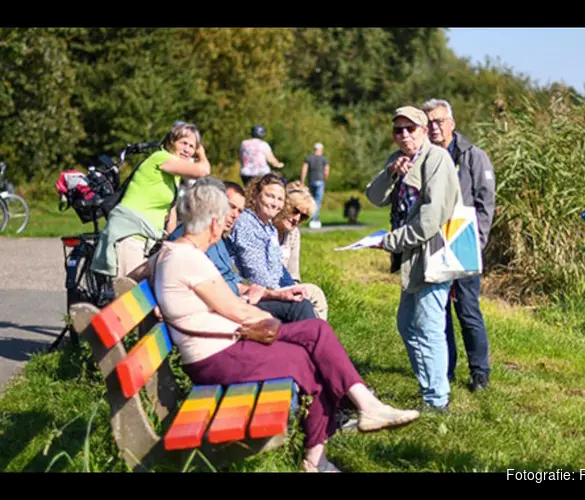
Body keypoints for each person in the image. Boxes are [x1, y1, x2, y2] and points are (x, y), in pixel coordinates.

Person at [140, 179, 420, 472]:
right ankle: (321, 453)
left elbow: (150, 274)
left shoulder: (174, 252)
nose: (225, 227)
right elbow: (237, 311)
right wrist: (274, 325)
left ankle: (361, 410)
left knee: (316, 335)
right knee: (312, 353)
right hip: (217, 357)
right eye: (224, 219)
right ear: (212, 222)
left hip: (224, 347)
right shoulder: (187, 258)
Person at [365, 106, 461, 412]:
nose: (404, 135)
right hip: (413, 257)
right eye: (398, 130)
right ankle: (430, 389)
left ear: (424, 130)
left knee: (428, 326)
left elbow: (431, 219)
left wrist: (391, 242)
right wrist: (392, 171)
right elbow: (374, 196)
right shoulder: (401, 161)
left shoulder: (437, 159)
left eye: (411, 128)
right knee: (408, 324)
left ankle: (437, 400)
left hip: (434, 254)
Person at [158, 179, 318, 324]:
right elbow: (216, 287)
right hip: (227, 309)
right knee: (299, 307)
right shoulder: (190, 239)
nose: (235, 216)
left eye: (239, 210)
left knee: (303, 302)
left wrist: (273, 294)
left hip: (241, 298)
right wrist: (252, 298)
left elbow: (233, 280)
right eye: (231, 207)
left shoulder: (217, 238)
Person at [422, 98, 496, 392]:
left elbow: (485, 201)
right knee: (438, 312)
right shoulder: (424, 156)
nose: (435, 127)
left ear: (452, 123)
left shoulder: (472, 156)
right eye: (429, 123)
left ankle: (480, 372)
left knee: (467, 309)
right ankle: (446, 370)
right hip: (433, 243)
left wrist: (478, 242)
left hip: (464, 241)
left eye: (439, 121)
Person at [92, 121, 211, 278]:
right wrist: (201, 152)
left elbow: (171, 211)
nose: (187, 150)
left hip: (148, 236)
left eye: (191, 146)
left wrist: (170, 241)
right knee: (130, 290)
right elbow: (203, 170)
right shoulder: (161, 158)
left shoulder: (173, 175)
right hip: (130, 231)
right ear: (171, 142)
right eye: (183, 143)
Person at [272, 180, 329, 320]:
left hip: (285, 284)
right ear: (285, 205)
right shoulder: (266, 228)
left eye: (303, 216)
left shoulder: (293, 233)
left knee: (313, 294)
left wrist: (295, 291)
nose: (296, 218)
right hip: (266, 285)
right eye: (295, 211)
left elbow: (293, 273)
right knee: (314, 293)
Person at [300, 142, 329, 229]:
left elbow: (304, 170)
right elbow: (327, 171)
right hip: (320, 181)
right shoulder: (324, 159)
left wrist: (302, 181)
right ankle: (314, 219)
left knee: (311, 200)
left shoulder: (309, 158)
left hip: (311, 181)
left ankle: (312, 218)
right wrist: (325, 179)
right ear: (321, 150)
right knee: (318, 201)